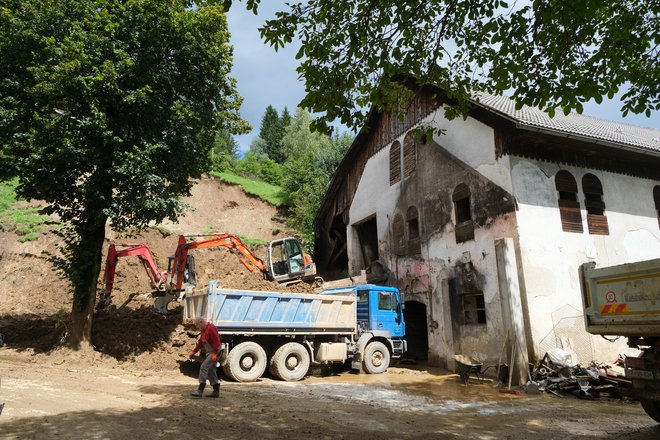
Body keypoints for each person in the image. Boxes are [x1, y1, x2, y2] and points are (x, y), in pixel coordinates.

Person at [189, 316, 221, 398]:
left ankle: (200, 390)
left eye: (197, 325)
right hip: (209, 352)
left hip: (214, 351)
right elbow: (200, 342)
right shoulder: (203, 330)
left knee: (203, 367)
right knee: (211, 370)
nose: (197, 327)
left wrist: (215, 353)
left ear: (201, 322)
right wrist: (194, 351)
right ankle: (216, 391)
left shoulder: (211, 328)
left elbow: (216, 341)